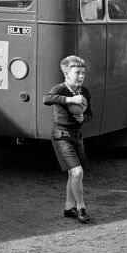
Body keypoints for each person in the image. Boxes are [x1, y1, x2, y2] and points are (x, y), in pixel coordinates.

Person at [42, 55, 93, 224]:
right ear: (66, 73)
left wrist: (83, 119)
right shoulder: (60, 89)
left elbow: (90, 114)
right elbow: (47, 99)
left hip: (76, 136)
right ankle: (81, 207)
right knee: (77, 172)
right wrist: (70, 99)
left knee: (74, 174)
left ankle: (68, 207)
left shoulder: (84, 92)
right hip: (61, 136)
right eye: (77, 72)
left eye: (83, 73)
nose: (81, 76)